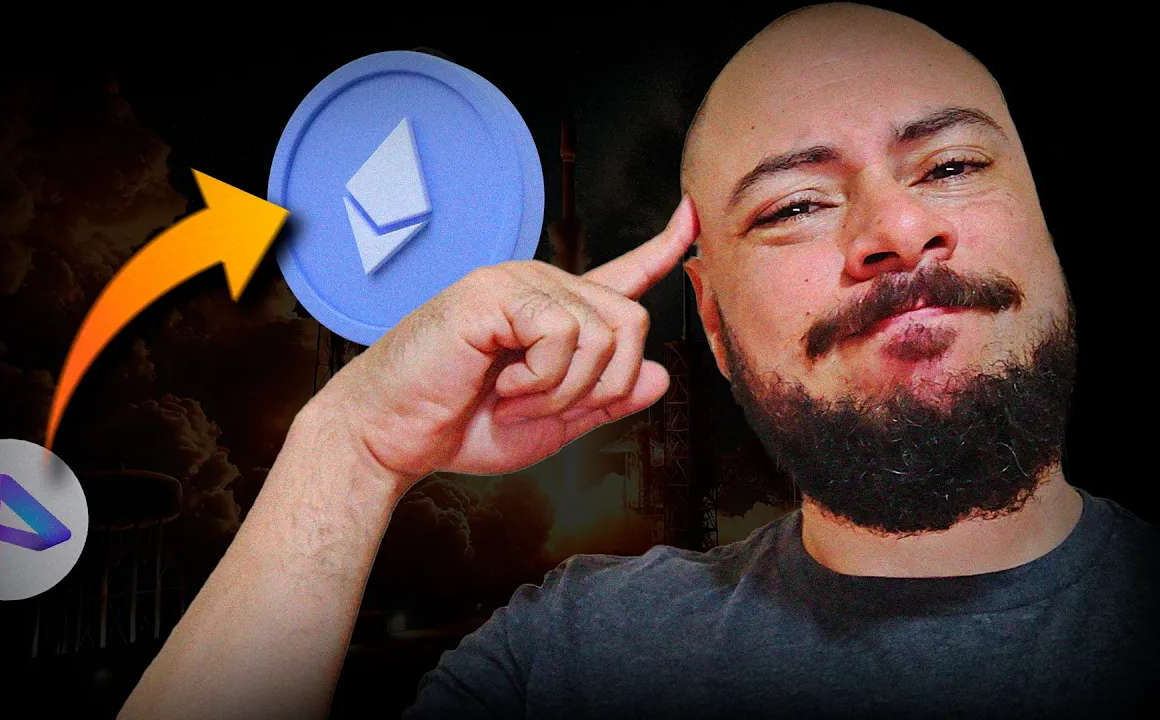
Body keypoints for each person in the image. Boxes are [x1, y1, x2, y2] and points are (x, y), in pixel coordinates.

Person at [120, 4, 1156, 718]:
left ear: (1044, 226)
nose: (895, 229)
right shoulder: (576, 658)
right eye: (795, 204)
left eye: (953, 163)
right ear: (709, 320)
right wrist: (351, 448)